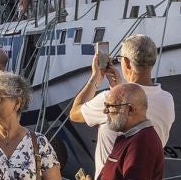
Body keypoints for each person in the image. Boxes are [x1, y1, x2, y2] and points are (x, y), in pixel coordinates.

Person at [72, 34, 175, 170]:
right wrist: (119, 88)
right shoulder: (167, 100)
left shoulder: (109, 99)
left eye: (120, 59)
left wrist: (95, 78)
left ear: (126, 62)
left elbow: (74, 114)